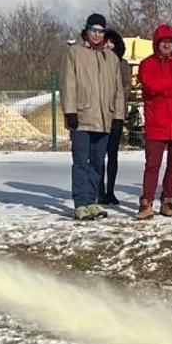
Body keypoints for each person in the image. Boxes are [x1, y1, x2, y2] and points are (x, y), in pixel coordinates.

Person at [61, 13, 125, 220]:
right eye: (93, 30)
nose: (97, 35)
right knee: (81, 161)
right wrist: (70, 111)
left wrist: (118, 116)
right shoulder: (75, 53)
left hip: (105, 118)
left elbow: (118, 90)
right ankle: (81, 202)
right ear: (86, 31)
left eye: (100, 31)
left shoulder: (112, 58)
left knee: (98, 163)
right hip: (81, 117)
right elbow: (68, 83)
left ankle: (92, 200)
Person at [134, 24, 172, 220]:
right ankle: (146, 203)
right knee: (152, 166)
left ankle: (168, 201)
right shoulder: (147, 64)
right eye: (163, 42)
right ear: (156, 44)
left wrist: (168, 87)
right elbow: (151, 86)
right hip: (157, 124)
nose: (166, 45)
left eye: (170, 42)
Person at [100, 28, 132, 205]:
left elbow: (126, 86)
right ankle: (99, 190)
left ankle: (110, 190)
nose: (109, 45)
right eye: (107, 42)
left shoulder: (123, 64)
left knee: (112, 154)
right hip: (99, 113)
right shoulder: (97, 61)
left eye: (112, 42)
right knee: (98, 154)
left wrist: (118, 97)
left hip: (117, 114)